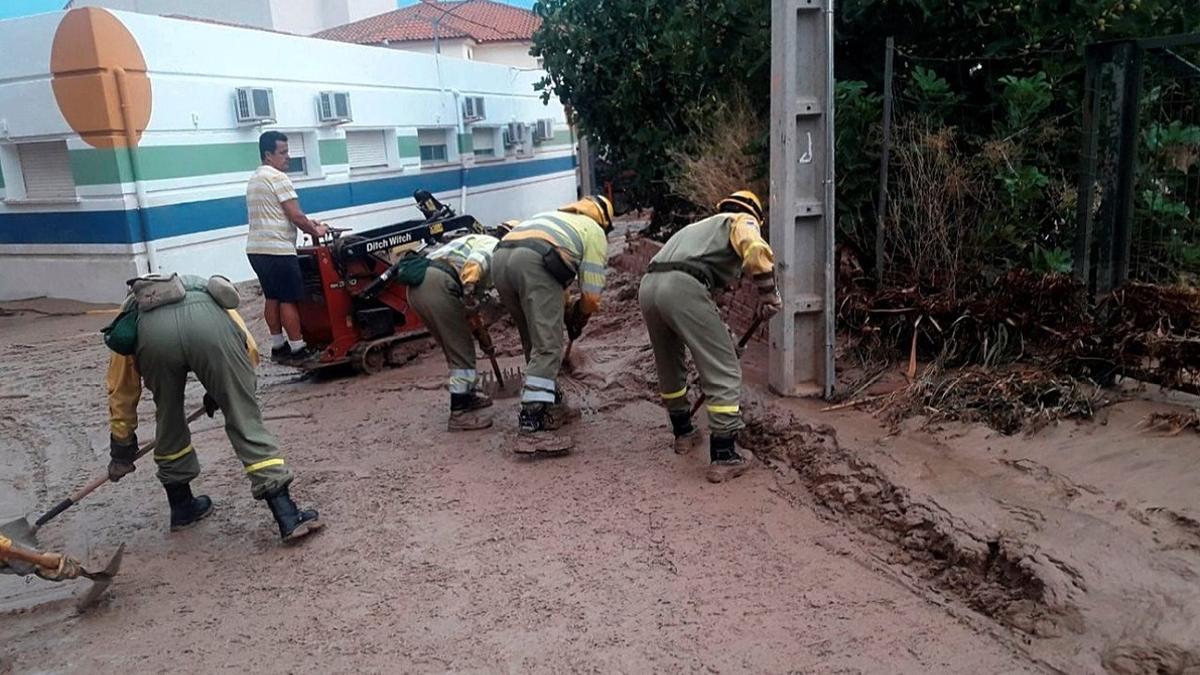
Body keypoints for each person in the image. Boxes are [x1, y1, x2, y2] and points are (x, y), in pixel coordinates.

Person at [105, 274, 322, 542]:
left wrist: (121, 445)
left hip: (153, 338)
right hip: (208, 326)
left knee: (168, 415)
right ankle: (287, 515)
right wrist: (226, 390)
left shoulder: (130, 315)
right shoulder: (206, 291)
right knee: (243, 417)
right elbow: (248, 349)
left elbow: (122, 387)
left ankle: (182, 507)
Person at [637, 190, 782, 483]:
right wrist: (770, 295)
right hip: (682, 287)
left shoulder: (695, 230)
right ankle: (724, 455)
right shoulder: (741, 220)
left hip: (649, 286)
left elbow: (702, 303)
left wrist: (725, 339)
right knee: (725, 369)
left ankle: (683, 433)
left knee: (669, 363)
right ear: (756, 216)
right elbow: (756, 251)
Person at [491, 196, 614, 451]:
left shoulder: (557, 219)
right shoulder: (593, 231)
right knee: (548, 346)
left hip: (500, 259)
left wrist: (566, 310)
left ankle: (551, 405)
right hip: (533, 262)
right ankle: (531, 425)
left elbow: (558, 285)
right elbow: (591, 295)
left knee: (534, 339)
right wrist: (579, 317)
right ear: (604, 221)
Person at [407, 222, 512, 431]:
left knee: (454, 346)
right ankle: (459, 413)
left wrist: (481, 333)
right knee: (461, 351)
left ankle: (468, 395)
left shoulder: (472, 240)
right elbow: (475, 264)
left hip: (420, 287)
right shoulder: (493, 245)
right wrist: (471, 288)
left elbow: (471, 308)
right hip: (438, 284)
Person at [245, 130, 328, 363]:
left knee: (272, 296)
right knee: (288, 299)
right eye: (283, 153)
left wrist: (308, 223)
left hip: (256, 250)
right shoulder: (278, 178)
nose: (288, 157)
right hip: (278, 250)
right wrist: (317, 230)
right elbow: (296, 216)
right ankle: (299, 349)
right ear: (268, 155)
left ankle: (278, 346)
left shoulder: (255, 179)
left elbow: (276, 213)